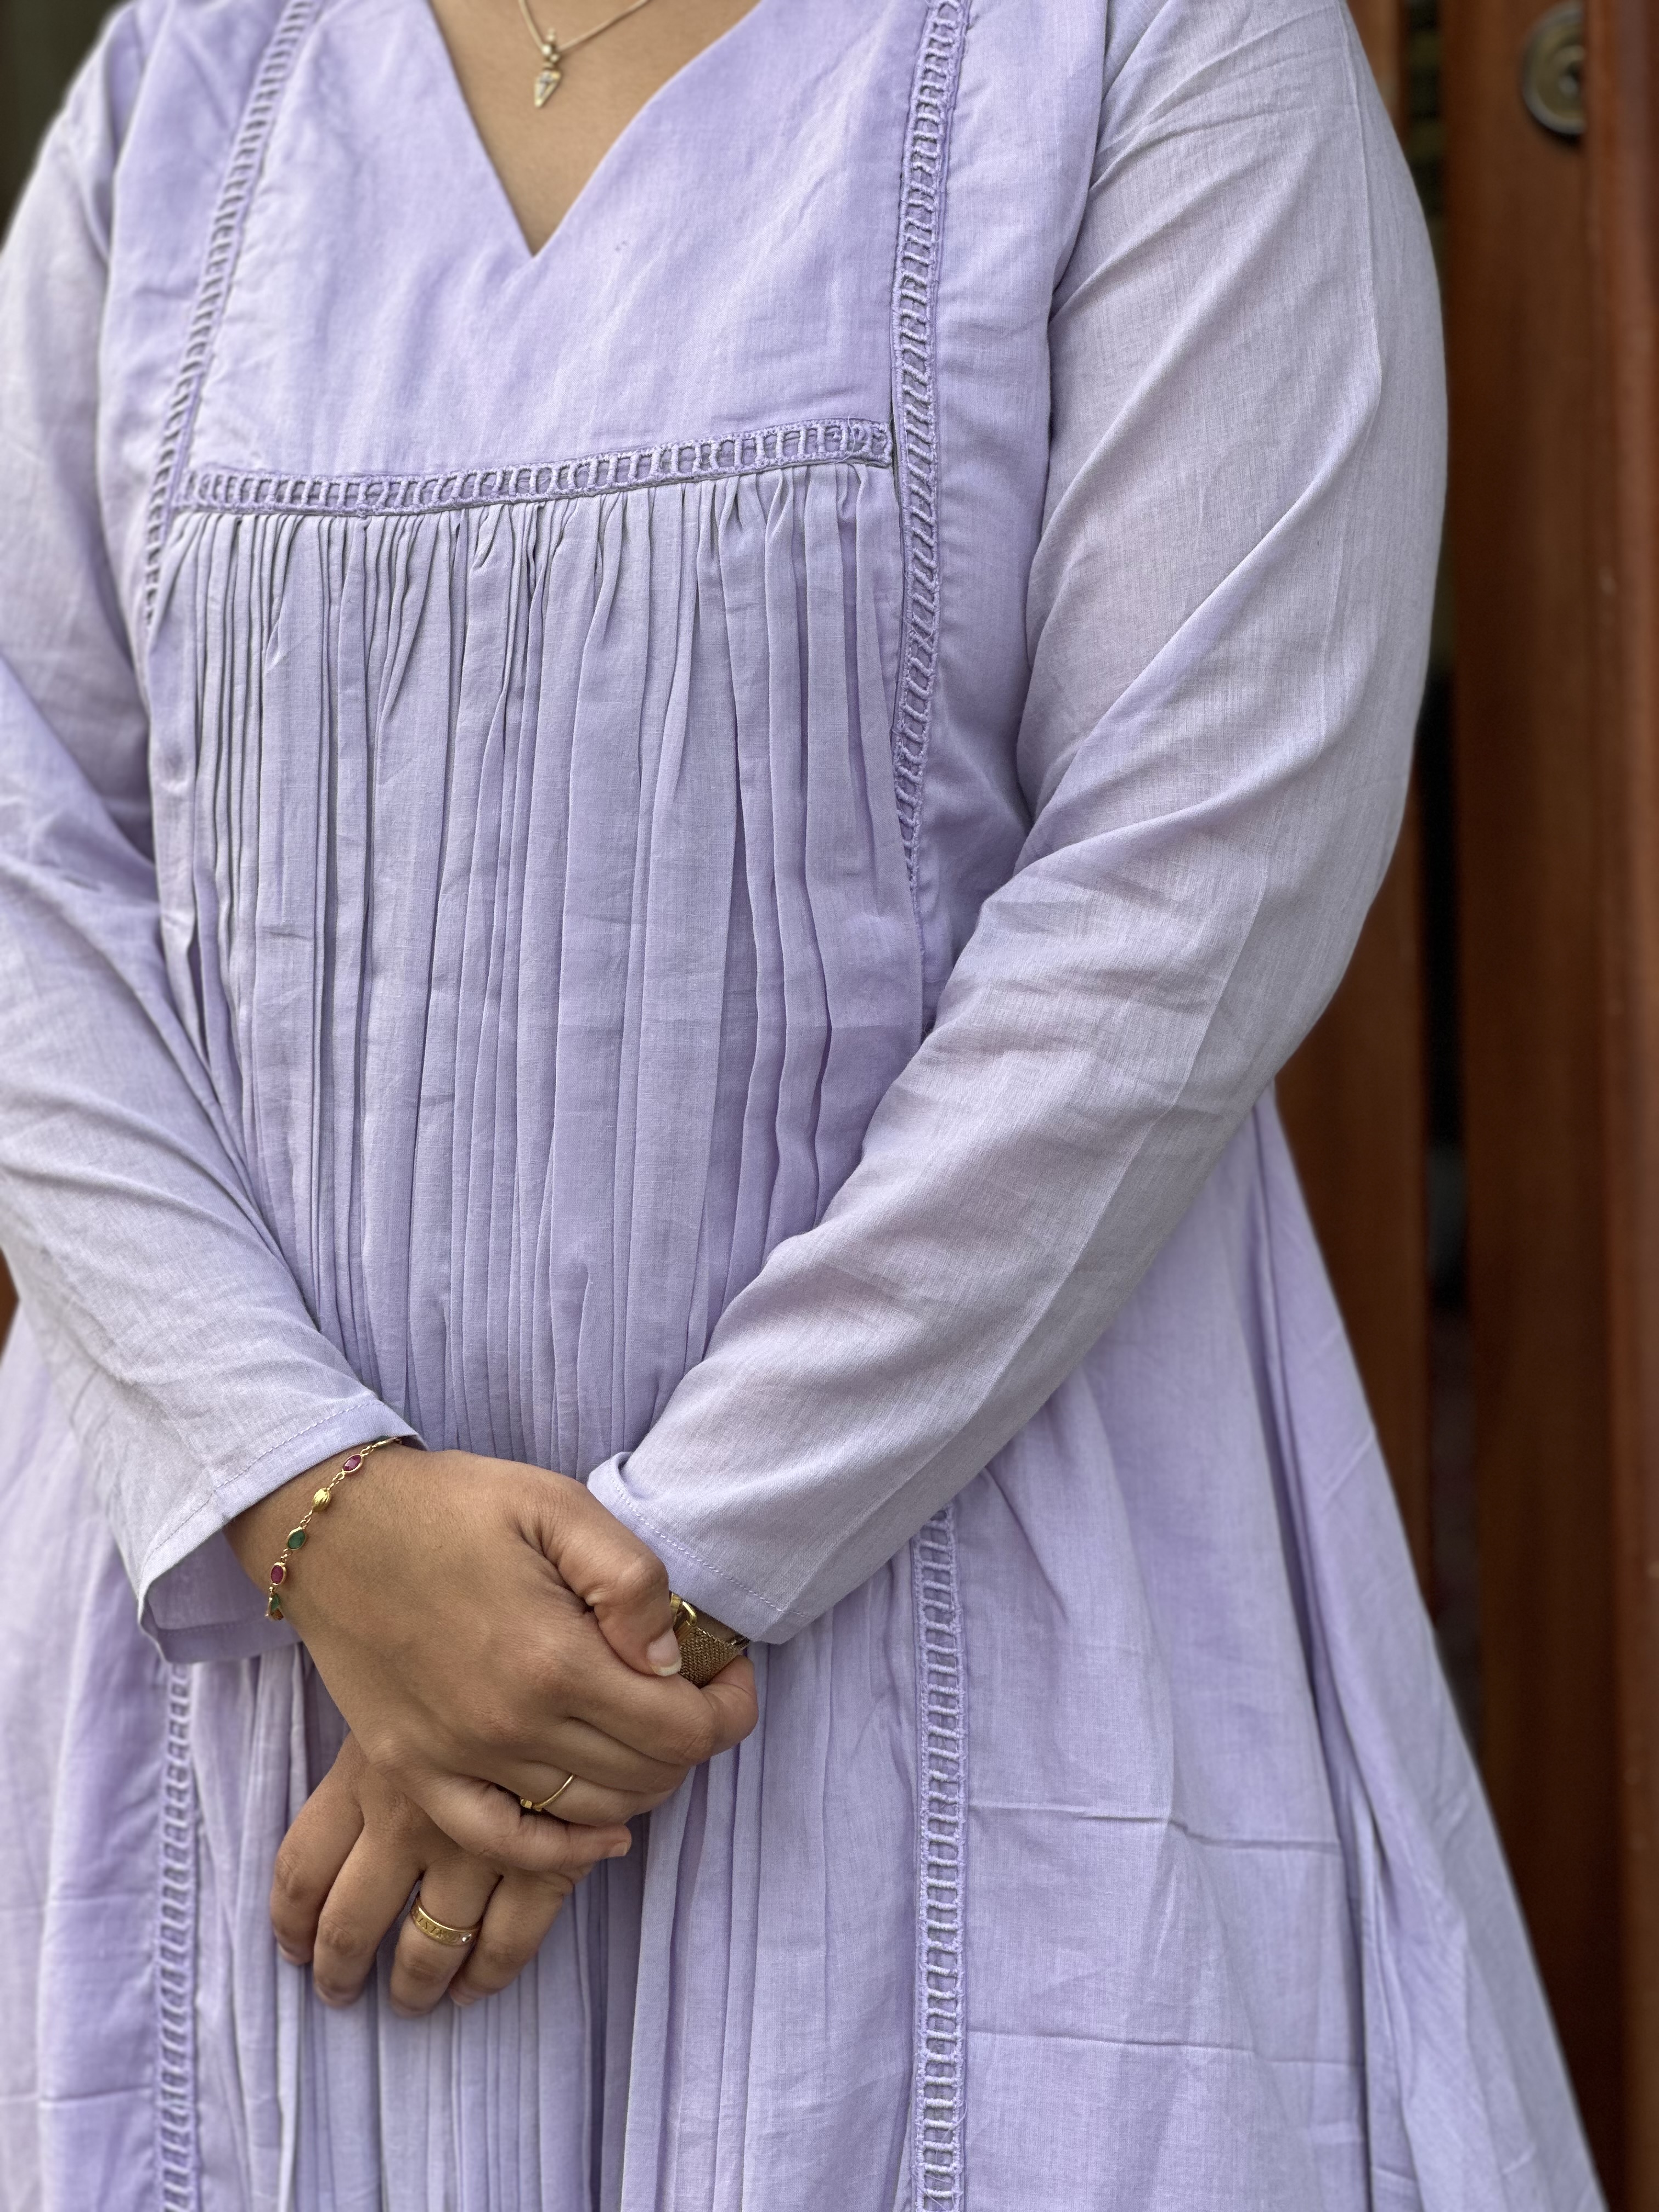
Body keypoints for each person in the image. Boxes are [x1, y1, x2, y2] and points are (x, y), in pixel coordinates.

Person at [0, 0, 1603, 2205]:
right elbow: (23, 847)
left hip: (959, 1651)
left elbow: (1196, 883)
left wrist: (641, 1606)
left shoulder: (1162, 48)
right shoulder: (201, 71)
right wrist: (305, 1504)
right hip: (234, 1686)